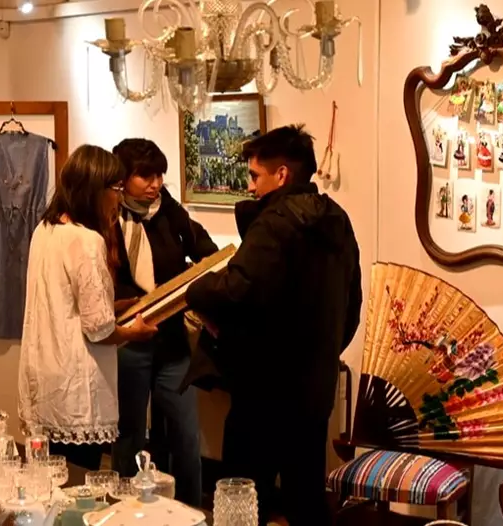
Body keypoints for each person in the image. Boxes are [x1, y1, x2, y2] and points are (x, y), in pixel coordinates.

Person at [185, 125, 362, 526]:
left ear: (281, 174)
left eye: (254, 175)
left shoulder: (274, 223)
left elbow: (236, 289)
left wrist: (196, 289)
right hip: (314, 386)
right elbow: (351, 305)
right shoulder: (338, 219)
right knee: (305, 495)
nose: (250, 187)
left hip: (264, 387)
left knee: (245, 495)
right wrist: (325, 352)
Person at [18, 144, 158, 471]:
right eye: (116, 189)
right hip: (76, 384)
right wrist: (134, 333)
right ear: (95, 190)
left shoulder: (45, 229)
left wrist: (113, 305)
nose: (119, 199)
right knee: (79, 481)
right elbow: (99, 330)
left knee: (48, 476)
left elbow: (62, 300)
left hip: (43, 373)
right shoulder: (87, 240)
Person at [110, 138, 218, 507]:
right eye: (145, 176)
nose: (155, 184)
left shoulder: (170, 212)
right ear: (123, 177)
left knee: (186, 434)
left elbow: (207, 254)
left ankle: (190, 511)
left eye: (159, 175)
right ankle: (125, 511)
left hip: (171, 340)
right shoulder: (108, 217)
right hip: (128, 339)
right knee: (129, 434)